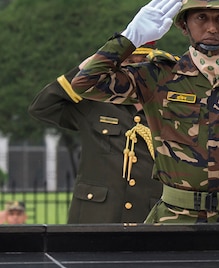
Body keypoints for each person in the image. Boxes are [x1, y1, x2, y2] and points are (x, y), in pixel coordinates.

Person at [69, 0, 219, 224]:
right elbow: (85, 83)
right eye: (201, 18)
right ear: (184, 25)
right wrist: (129, 39)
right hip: (174, 220)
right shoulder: (158, 76)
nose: (212, 28)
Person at [29, 54, 169, 224]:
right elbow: (42, 107)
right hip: (94, 216)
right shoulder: (95, 101)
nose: (135, 69)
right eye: (129, 62)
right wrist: (85, 69)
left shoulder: (170, 109)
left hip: (147, 218)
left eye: (143, 63)